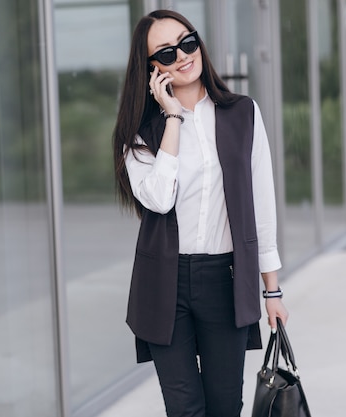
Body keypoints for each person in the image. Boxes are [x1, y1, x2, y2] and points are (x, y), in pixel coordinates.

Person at [112, 9, 289, 417]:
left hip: (225, 279)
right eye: (166, 52)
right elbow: (158, 199)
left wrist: (272, 290)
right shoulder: (137, 132)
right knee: (186, 409)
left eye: (187, 42)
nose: (182, 56)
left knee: (226, 406)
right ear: (151, 68)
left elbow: (261, 204)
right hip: (164, 284)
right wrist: (172, 116)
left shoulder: (243, 113)